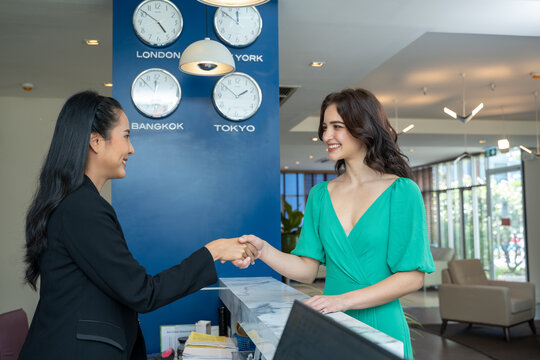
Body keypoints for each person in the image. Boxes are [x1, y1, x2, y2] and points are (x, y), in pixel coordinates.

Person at [20, 91, 255, 360]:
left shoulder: (78, 204)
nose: (131, 148)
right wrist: (213, 251)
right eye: (126, 135)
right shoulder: (82, 208)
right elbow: (142, 293)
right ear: (96, 141)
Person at [235, 88, 435, 359]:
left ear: (363, 128)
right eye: (325, 127)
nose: (326, 136)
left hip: (381, 326)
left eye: (337, 127)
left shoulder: (402, 191)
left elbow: (412, 277)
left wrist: (343, 301)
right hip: (333, 323)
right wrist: (263, 250)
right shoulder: (319, 195)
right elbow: (306, 270)